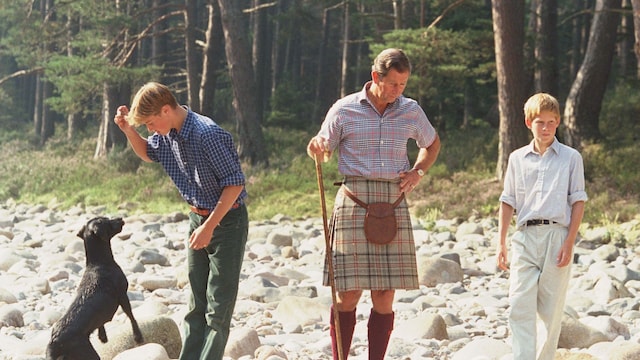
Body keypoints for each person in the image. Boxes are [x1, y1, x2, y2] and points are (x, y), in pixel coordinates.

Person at [307, 48, 441, 360]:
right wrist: (317, 149)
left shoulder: (411, 110)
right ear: (375, 77)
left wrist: (418, 171)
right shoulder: (344, 109)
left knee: (384, 294)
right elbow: (322, 150)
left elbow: (432, 144)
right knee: (348, 292)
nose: (398, 91)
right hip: (354, 200)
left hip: (392, 202)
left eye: (404, 85)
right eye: (393, 84)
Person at [113, 82, 248, 360]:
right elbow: (149, 153)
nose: (150, 130)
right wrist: (129, 130)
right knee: (195, 303)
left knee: (218, 308)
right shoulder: (167, 134)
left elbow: (234, 184)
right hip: (196, 219)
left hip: (227, 221)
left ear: (166, 109)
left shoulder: (207, 134)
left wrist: (209, 227)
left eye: (150, 123)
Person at [497, 93, 587, 360]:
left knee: (550, 311)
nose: (545, 128)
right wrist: (500, 242)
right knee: (518, 305)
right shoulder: (516, 158)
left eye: (550, 122)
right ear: (528, 122)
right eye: (540, 122)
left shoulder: (571, 158)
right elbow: (507, 200)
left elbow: (578, 201)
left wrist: (569, 242)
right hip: (524, 237)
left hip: (556, 236)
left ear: (558, 122)